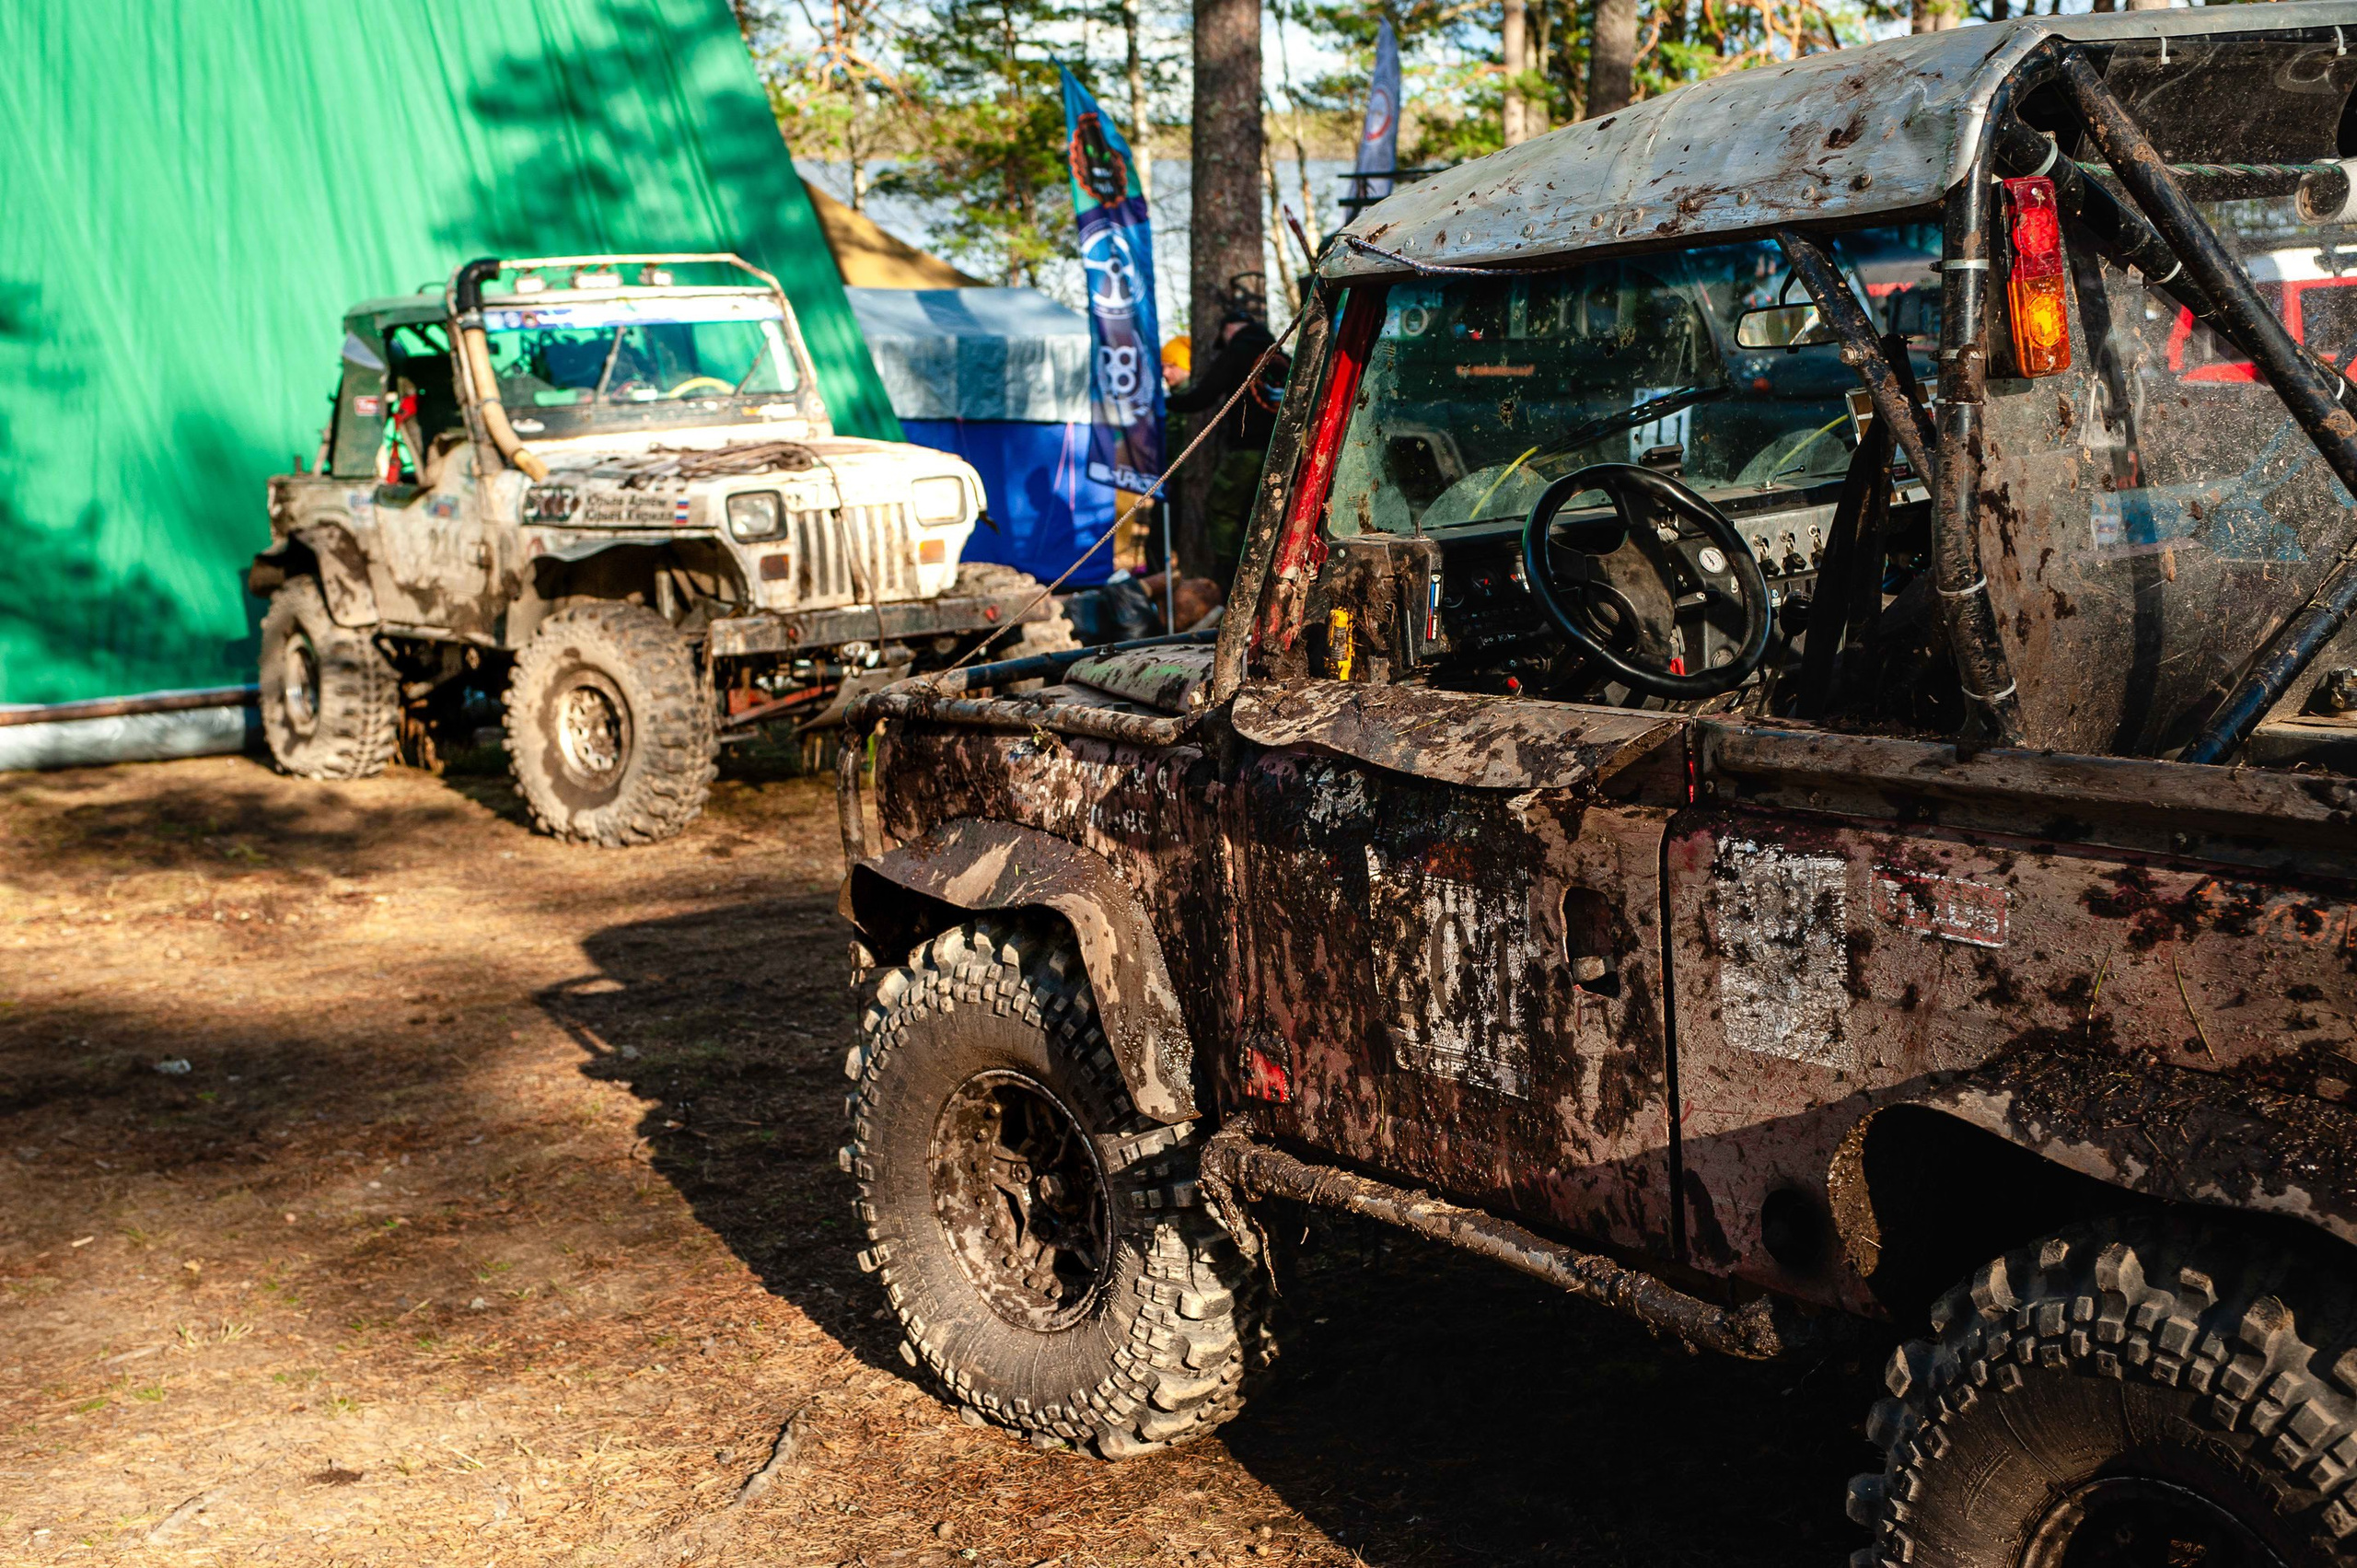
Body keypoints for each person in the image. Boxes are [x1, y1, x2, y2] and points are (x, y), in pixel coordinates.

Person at [1164, 303, 1284, 585]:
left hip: (1247, 450)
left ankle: (1231, 579)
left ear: (1229, 330)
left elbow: (1202, 397)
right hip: (1284, 451)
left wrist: (1166, 403)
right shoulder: (1280, 353)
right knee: (1262, 513)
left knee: (1222, 510)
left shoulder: (1236, 352)